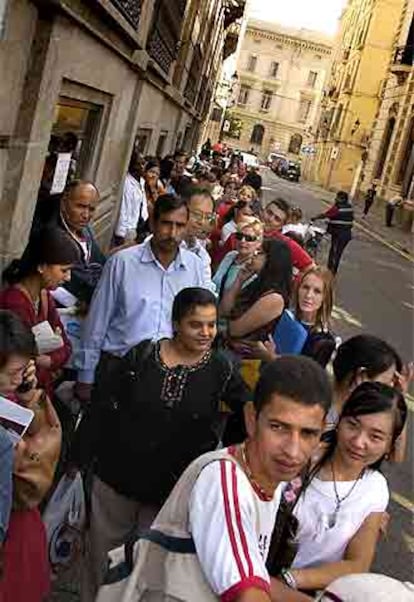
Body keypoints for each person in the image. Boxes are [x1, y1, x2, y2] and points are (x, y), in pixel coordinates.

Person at [102, 356, 332, 602]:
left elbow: (256, 574)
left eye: (308, 433)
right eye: (278, 427)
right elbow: (250, 594)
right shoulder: (224, 483)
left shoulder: (270, 476)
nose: (293, 450)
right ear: (251, 419)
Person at [79, 287, 250, 601]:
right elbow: (103, 407)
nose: (206, 332)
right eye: (195, 324)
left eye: (211, 324)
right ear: (175, 323)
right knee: (102, 560)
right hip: (115, 480)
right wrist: (80, 459)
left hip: (171, 496)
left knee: (153, 573)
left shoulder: (221, 370)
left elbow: (247, 414)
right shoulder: (141, 356)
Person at [74, 194, 211, 402]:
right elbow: (97, 321)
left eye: (179, 225)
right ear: (153, 223)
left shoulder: (194, 268)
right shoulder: (122, 263)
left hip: (169, 377)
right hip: (118, 371)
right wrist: (85, 375)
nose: (172, 233)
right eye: (166, 223)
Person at [284, 381, 407, 593]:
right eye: (353, 425)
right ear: (339, 421)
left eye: (375, 436)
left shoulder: (375, 489)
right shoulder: (298, 458)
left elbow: (356, 564)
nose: (359, 442)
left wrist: (289, 580)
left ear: (389, 445)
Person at [0, 310, 62, 602]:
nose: (17, 378)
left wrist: (28, 393)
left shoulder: (15, 393)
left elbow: (42, 432)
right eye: (12, 372)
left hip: (22, 519)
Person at [0, 228, 80, 396]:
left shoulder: (44, 296)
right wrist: (47, 353)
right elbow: (24, 364)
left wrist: (48, 359)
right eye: (64, 270)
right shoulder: (15, 302)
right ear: (42, 266)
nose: (68, 277)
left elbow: (66, 347)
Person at [326, 334, 411, 462]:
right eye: (384, 384)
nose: (387, 392)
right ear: (361, 376)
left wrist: (399, 398)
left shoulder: (360, 412)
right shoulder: (321, 411)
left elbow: (395, 456)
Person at [221, 239, 292, 389]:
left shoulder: (274, 298)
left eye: (260, 253)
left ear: (272, 261)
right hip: (230, 349)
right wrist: (239, 280)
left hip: (244, 363)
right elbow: (225, 310)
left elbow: (235, 329)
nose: (254, 254)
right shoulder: (257, 283)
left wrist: (228, 324)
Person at [54, 180, 107, 304]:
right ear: (64, 203)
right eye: (81, 206)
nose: (86, 215)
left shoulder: (86, 231)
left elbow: (100, 263)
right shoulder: (53, 234)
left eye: (92, 209)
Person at [295, 266, 336, 367]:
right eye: (305, 287)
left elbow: (308, 378)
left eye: (317, 291)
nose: (308, 295)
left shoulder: (323, 341)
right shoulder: (285, 316)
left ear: (325, 298)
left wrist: (272, 358)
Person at [213, 218, 264, 299]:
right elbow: (215, 282)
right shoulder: (230, 256)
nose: (242, 241)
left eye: (249, 238)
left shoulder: (255, 266)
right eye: (239, 236)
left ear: (259, 243)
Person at [264, 199, 313, 275]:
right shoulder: (245, 225)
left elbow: (310, 267)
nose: (270, 219)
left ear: (282, 225)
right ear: (263, 210)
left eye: (277, 219)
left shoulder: (284, 243)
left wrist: (292, 283)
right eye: (269, 213)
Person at [182, 187, 217, 291]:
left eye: (207, 217)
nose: (201, 222)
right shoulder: (163, 243)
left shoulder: (202, 255)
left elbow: (207, 288)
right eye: (197, 214)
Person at [312, 191, 354, 275]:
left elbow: (326, 214)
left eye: (337, 197)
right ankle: (332, 270)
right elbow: (344, 219)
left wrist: (314, 218)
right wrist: (331, 223)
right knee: (338, 253)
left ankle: (330, 272)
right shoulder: (349, 207)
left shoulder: (337, 208)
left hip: (339, 234)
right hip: (346, 234)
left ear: (342, 199)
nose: (335, 199)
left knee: (334, 252)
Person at [114, 150, 148, 245]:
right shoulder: (126, 184)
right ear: (133, 166)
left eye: (143, 163)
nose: (143, 167)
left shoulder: (141, 181)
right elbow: (123, 208)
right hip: (129, 230)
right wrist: (121, 234)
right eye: (139, 164)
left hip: (140, 225)